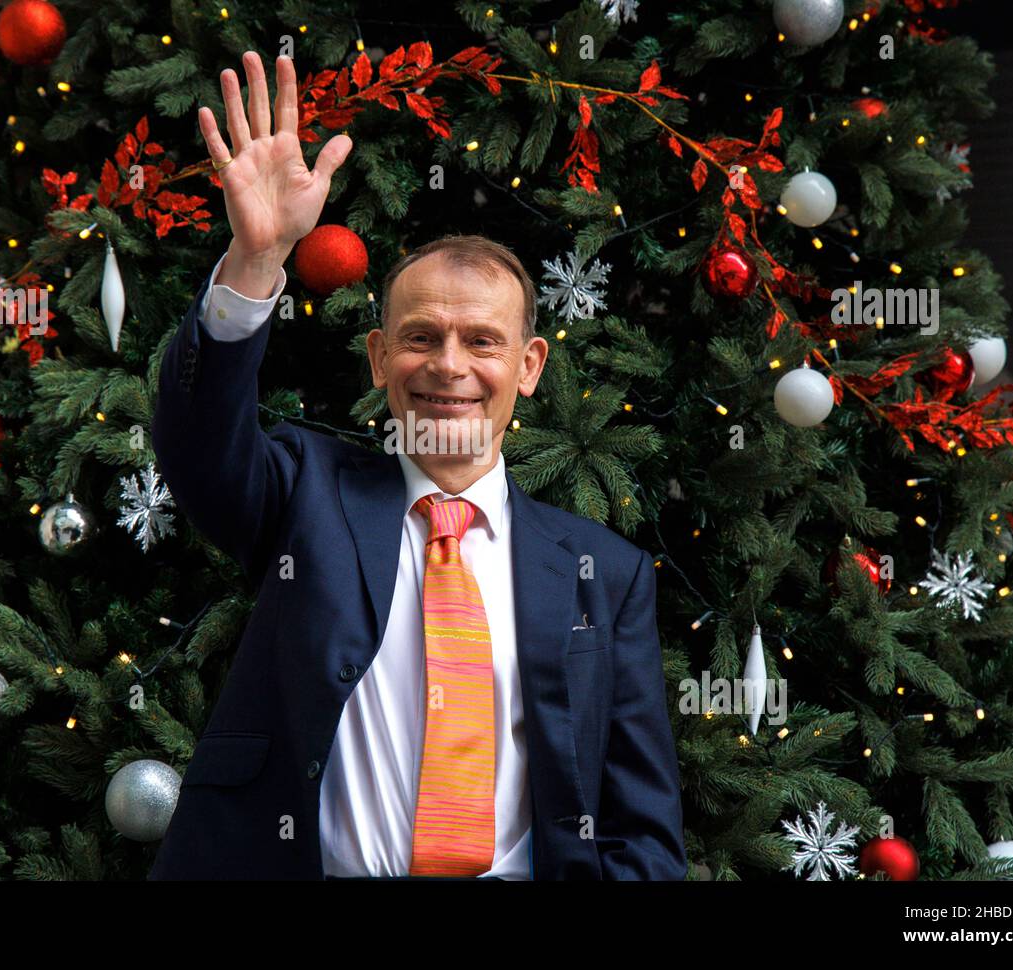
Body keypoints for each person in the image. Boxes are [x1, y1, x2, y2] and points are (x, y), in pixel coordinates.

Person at [148, 50, 685, 880]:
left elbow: (638, 826)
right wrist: (256, 262)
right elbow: (197, 443)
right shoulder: (304, 495)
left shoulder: (604, 574)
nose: (449, 366)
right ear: (377, 357)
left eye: (483, 341)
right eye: (420, 337)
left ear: (530, 367)